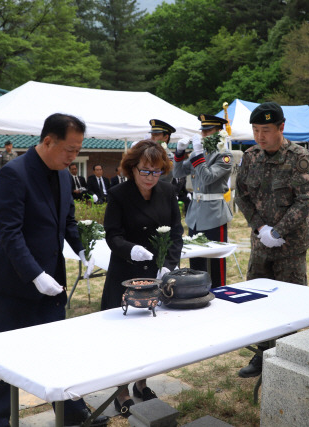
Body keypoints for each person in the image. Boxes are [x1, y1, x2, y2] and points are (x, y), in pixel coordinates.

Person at [0, 113, 107, 427]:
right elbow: (9, 232)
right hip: (14, 281)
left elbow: (67, 221)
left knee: (57, 350)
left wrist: (83, 251)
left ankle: (72, 415)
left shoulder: (64, 174)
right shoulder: (14, 174)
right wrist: (35, 274)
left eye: (78, 150)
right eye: (70, 150)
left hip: (52, 279)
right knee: (3, 355)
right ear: (48, 141)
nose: (74, 157)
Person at [100, 140, 183, 418]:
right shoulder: (119, 194)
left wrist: (168, 264)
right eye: (145, 171)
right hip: (125, 274)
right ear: (132, 168)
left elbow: (176, 233)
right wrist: (130, 250)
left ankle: (142, 383)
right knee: (122, 335)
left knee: (150, 333)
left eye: (157, 172)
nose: (150, 177)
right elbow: (112, 235)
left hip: (155, 276)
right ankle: (121, 390)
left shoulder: (168, 191)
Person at [235, 102, 309, 378]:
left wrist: (278, 232)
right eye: (256, 130)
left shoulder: (299, 157)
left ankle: (288, 359)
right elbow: (241, 196)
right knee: (258, 300)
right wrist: (261, 230)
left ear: (281, 127)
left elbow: (303, 201)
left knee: (290, 303)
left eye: (266, 130)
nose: (260, 136)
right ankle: (262, 354)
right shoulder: (250, 156)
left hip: (290, 246)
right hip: (261, 246)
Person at [173, 114, 233, 288]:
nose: (204, 134)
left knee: (216, 260)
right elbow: (177, 173)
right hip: (196, 213)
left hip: (215, 213)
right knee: (196, 258)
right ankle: (197, 290)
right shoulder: (199, 152)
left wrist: (197, 155)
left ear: (219, 132)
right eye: (203, 130)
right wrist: (179, 153)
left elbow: (208, 178)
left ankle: (219, 291)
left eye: (208, 130)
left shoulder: (224, 156)